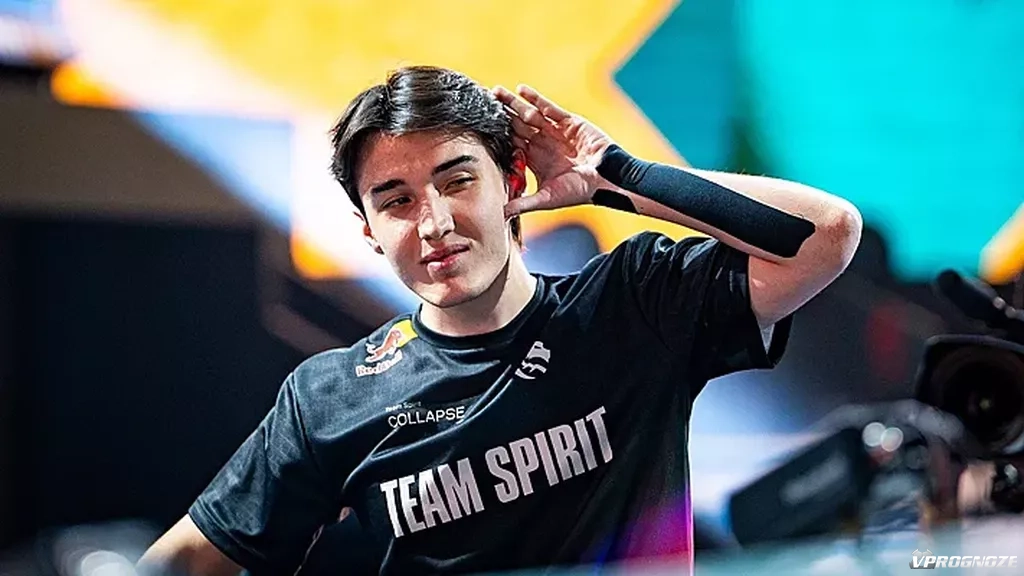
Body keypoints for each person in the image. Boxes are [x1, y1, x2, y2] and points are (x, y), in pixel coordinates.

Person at [138, 65, 862, 575]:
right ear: (369, 232)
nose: (434, 224)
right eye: (395, 201)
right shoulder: (329, 395)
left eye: (457, 181)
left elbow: (826, 235)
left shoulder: (633, 303)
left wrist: (619, 177)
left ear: (512, 183)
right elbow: (188, 557)